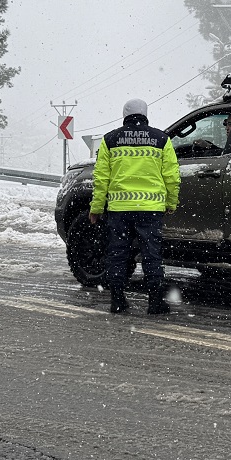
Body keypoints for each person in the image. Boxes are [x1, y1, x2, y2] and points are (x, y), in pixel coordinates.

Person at [89, 98, 180, 315]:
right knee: (151, 255)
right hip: (150, 209)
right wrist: (171, 202)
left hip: (119, 210)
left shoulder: (110, 140)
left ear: (125, 114)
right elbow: (172, 176)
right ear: (145, 114)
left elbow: (101, 178)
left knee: (118, 254)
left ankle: (117, 300)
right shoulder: (161, 139)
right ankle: (155, 302)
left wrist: (96, 207)